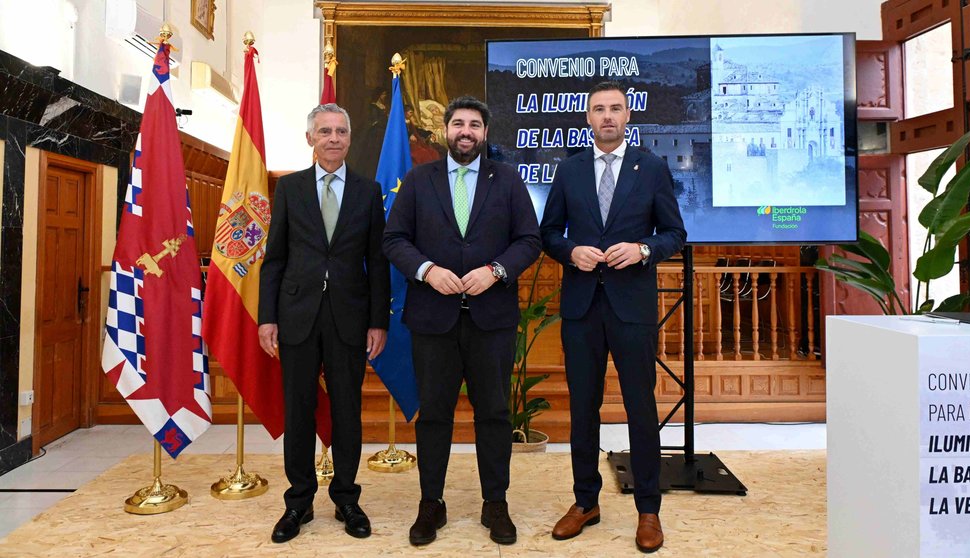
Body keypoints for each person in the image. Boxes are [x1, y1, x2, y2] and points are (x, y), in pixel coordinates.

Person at [382, 96, 541, 547]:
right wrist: (428, 270)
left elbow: (528, 240)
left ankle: (496, 504)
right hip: (433, 320)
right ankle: (431, 503)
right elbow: (394, 239)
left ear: (485, 133)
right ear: (445, 132)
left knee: (493, 413)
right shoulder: (418, 180)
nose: (465, 131)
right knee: (433, 415)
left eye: (474, 124)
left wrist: (495, 271)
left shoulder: (507, 180)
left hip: (491, 320)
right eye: (458, 124)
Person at [540, 81, 686, 554]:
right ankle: (585, 502)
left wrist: (643, 249)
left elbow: (674, 234)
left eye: (615, 109)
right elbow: (548, 234)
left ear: (627, 116)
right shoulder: (570, 170)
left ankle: (648, 509)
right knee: (583, 409)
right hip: (582, 306)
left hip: (632, 306)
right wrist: (570, 251)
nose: (607, 116)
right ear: (587, 118)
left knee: (640, 409)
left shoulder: (653, 167)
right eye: (598, 109)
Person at [258, 103, 390, 544]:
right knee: (298, 410)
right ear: (310, 138)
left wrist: (378, 321)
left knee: (347, 411)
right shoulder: (290, 188)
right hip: (296, 317)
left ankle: (347, 498)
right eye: (325, 131)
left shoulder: (369, 192)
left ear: (350, 138)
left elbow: (378, 261)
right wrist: (267, 317)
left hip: (350, 319)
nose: (334, 138)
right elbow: (274, 258)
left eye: (341, 131)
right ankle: (298, 503)